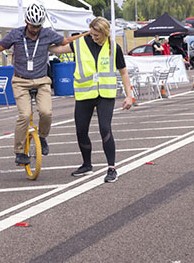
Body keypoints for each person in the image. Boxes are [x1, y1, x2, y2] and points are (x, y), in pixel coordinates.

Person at [0, 3, 86, 165]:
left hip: (41, 81)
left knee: (46, 112)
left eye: (38, 26)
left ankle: (43, 137)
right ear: (26, 21)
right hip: (20, 82)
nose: (35, 29)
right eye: (32, 25)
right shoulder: (16, 34)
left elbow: (65, 41)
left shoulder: (46, 34)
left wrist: (87, 35)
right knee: (24, 115)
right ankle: (19, 151)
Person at [49, 17, 132, 183]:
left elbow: (123, 71)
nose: (94, 37)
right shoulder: (79, 43)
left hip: (105, 95)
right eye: (92, 34)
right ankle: (87, 164)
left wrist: (129, 95)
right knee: (81, 130)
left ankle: (111, 168)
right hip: (85, 94)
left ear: (105, 33)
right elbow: (57, 49)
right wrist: (42, 40)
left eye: (97, 35)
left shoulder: (113, 47)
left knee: (104, 128)